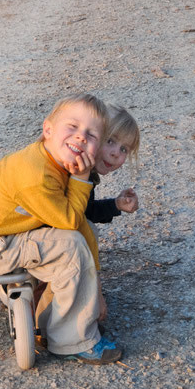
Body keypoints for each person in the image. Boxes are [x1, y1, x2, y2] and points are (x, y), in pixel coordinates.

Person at [0, 94, 123, 365]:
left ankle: (55, 310)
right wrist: (80, 178)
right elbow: (69, 223)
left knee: (81, 233)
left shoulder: (52, 159)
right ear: (48, 130)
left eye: (91, 135)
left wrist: (96, 285)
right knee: (70, 245)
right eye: (73, 127)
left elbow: (80, 223)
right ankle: (70, 339)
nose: (80, 138)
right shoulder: (37, 175)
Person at [85, 105, 141, 323]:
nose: (116, 152)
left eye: (124, 149)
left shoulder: (87, 171)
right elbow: (78, 223)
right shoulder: (77, 169)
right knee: (87, 231)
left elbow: (87, 210)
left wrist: (116, 204)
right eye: (110, 141)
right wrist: (97, 291)